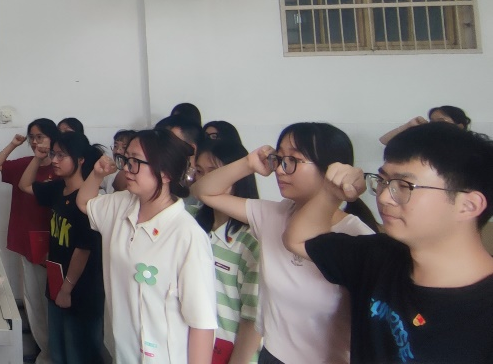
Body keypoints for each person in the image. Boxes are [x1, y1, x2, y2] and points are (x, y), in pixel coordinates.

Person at [283, 123, 493, 363]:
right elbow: (299, 239)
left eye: (404, 186)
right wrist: (331, 194)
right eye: (383, 181)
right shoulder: (379, 257)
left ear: (468, 206)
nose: (383, 197)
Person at [191, 123, 377, 364]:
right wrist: (248, 164)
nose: (279, 169)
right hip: (272, 356)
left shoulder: (357, 237)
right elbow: (203, 191)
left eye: (293, 160)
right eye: (279, 159)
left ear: (330, 169)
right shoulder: (272, 215)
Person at [77, 129, 217, 364]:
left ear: (165, 173)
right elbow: (84, 203)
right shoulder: (121, 205)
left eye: (135, 161)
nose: (126, 168)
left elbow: (202, 323)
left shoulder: (187, 235)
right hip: (122, 351)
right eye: (125, 159)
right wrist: (97, 175)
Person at [20, 131, 107, 364]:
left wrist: (67, 289)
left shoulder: (88, 201)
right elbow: (25, 185)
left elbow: (83, 249)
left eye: (61, 155)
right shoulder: (58, 188)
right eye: (53, 154)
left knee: (78, 352)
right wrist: (38, 158)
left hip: (80, 288)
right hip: (57, 282)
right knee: (57, 350)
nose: (55, 160)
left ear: (80, 160)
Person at [0, 118, 60, 364]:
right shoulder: (25, 164)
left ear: (53, 138)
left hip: (55, 241)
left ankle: (55, 352)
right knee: (34, 299)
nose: (34, 141)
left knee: (54, 300)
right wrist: (14, 143)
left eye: (40, 136)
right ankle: (46, 352)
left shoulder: (60, 167)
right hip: (28, 239)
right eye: (32, 137)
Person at [193, 138, 262, 364]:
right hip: (192, 346)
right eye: (199, 171)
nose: (204, 179)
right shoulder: (190, 223)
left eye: (213, 172)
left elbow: (253, 320)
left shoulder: (251, 241)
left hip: (229, 351)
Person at [379, 104, 472, 145]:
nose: (436, 125)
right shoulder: (425, 141)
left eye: (441, 120)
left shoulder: (470, 145)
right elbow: (384, 140)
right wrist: (409, 125)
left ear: (460, 125)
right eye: (432, 121)